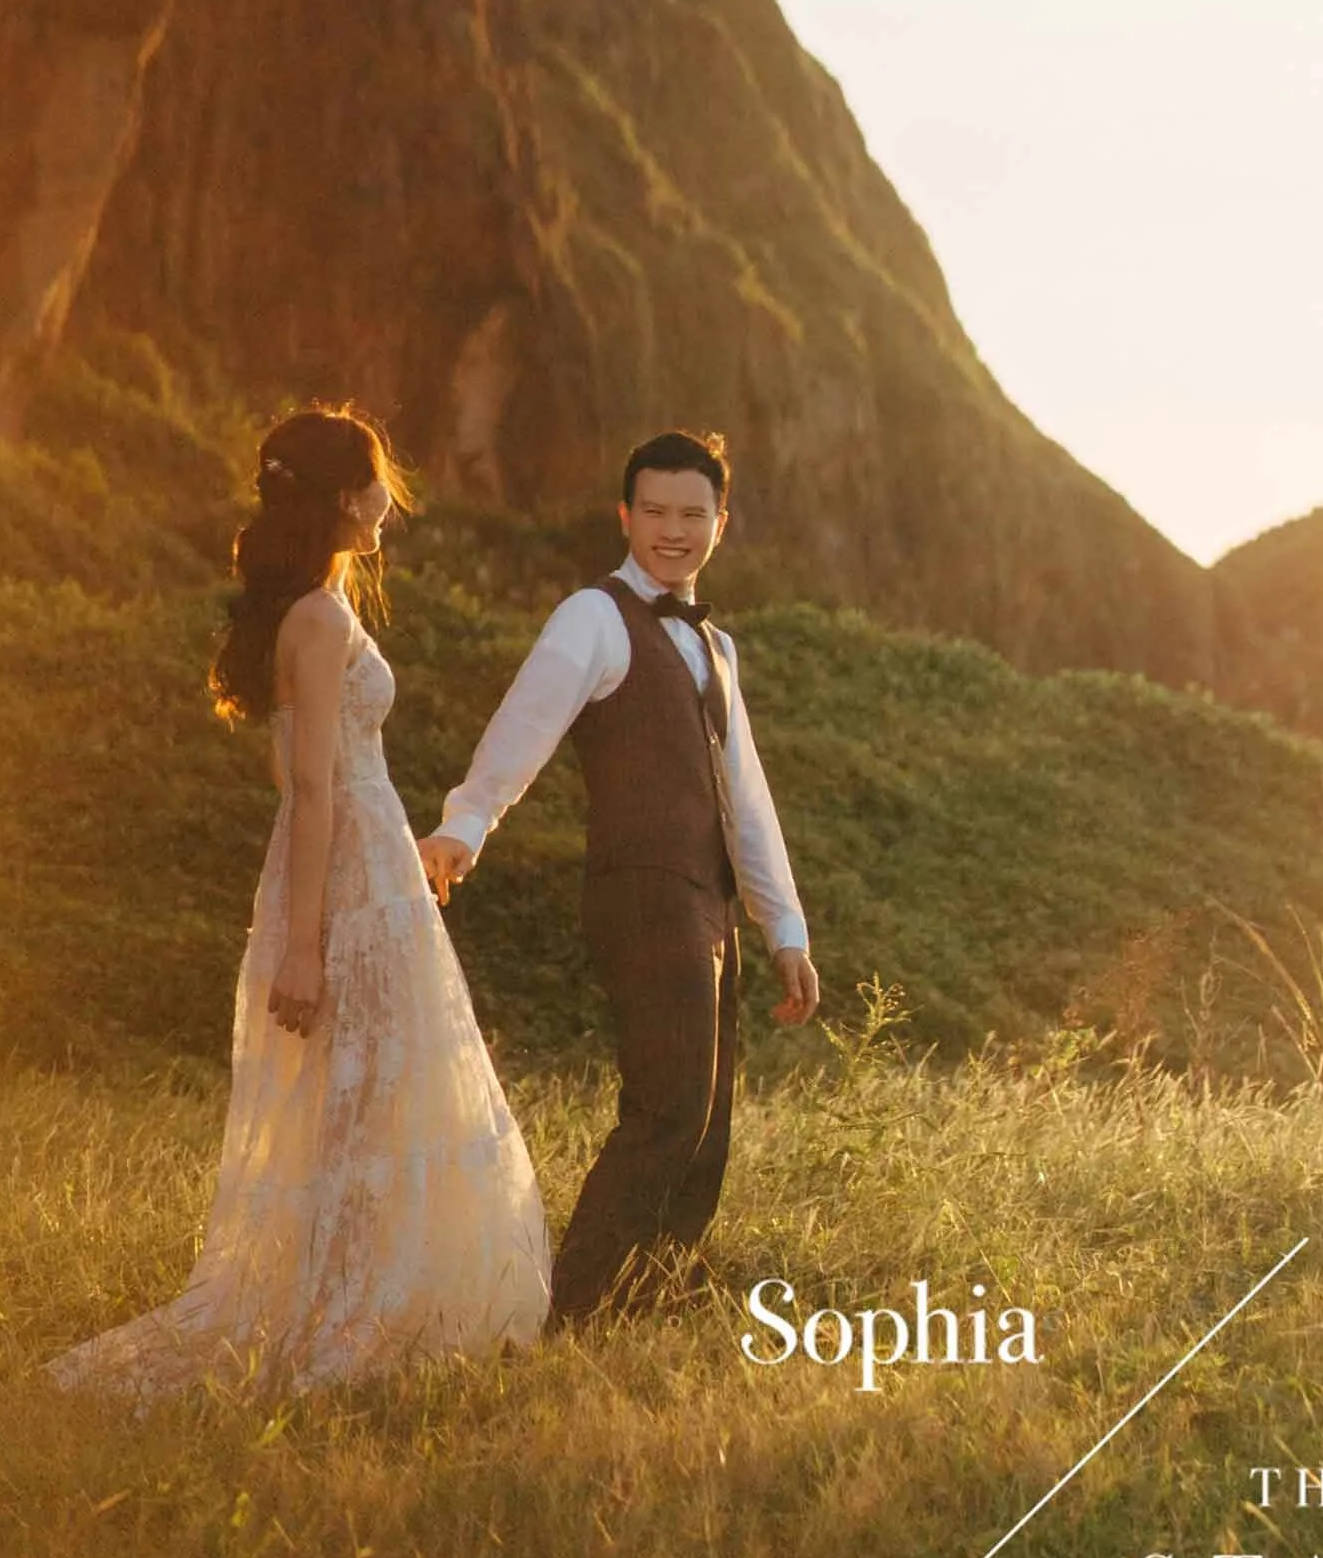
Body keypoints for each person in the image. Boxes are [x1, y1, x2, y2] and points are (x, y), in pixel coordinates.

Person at [50, 407, 551, 1402]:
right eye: (370, 484)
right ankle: (351, 1312)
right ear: (331, 497)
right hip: (345, 872)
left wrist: (368, 874)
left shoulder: (317, 606)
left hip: (364, 862)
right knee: (361, 1095)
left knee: (369, 1092)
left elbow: (325, 783)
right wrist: (307, 946)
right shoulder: (317, 620)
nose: (383, 501)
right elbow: (313, 787)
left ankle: (371, 1298)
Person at [420, 427, 820, 1327]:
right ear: (625, 515)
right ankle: (569, 1318)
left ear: (722, 522)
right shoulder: (593, 616)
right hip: (643, 891)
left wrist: (783, 931)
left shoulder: (717, 647)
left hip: (709, 905)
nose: (672, 530)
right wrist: (465, 823)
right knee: (667, 1109)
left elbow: (745, 796)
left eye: (693, 513)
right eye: (654, 512)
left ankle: (648, 1313)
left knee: (707, 1125)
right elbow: (524, 725)